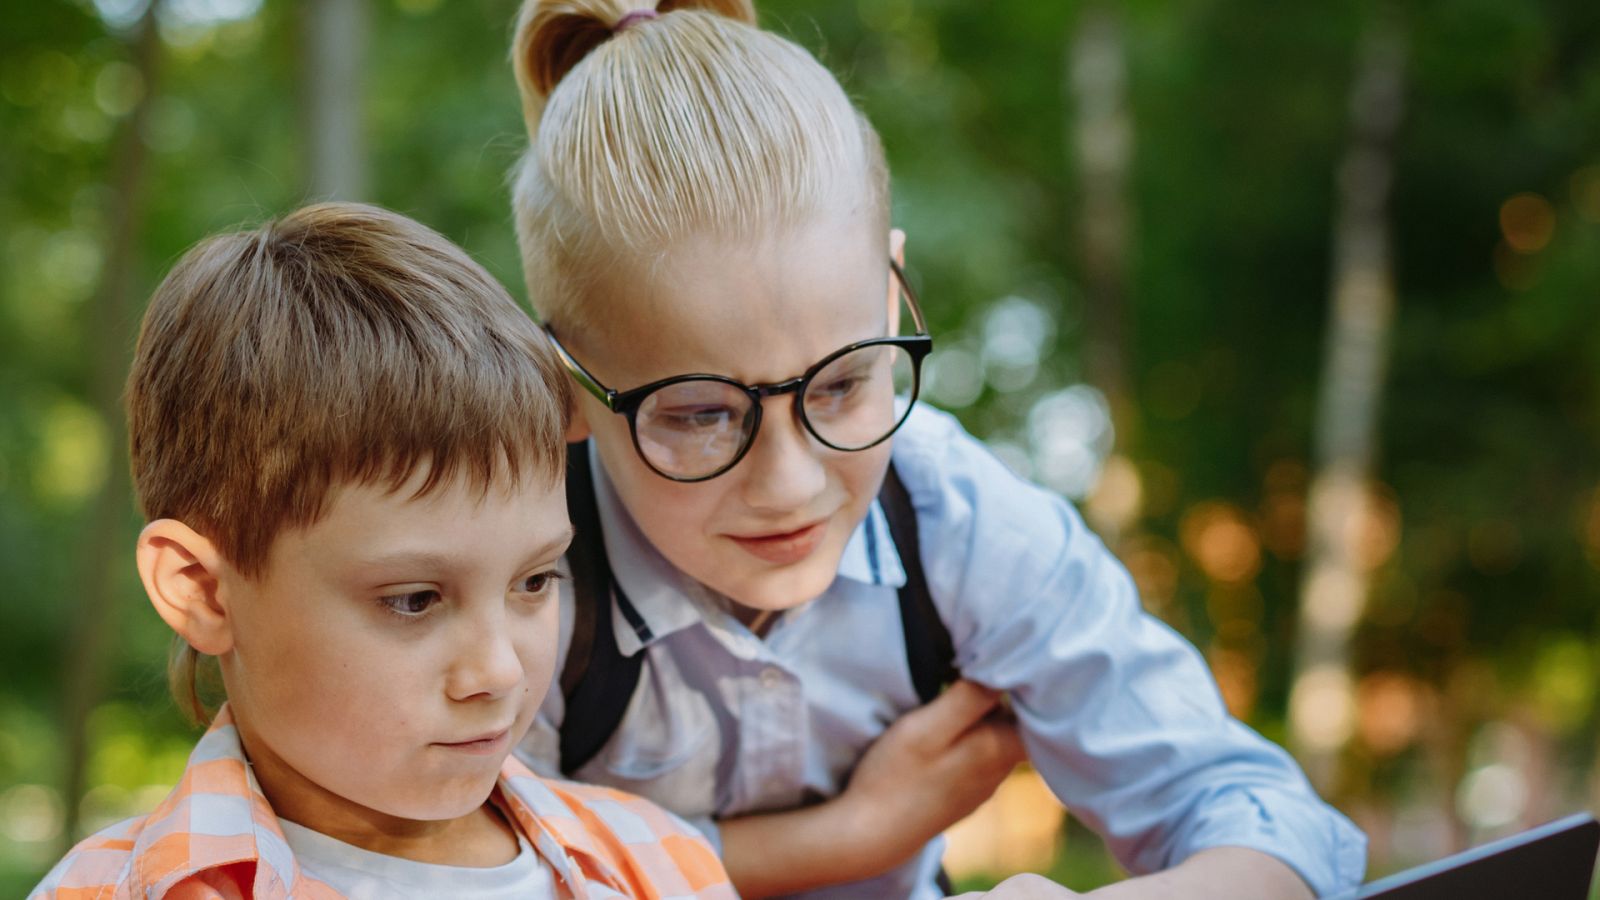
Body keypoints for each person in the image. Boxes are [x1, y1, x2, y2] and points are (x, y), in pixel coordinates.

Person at [507, 1, 1368, 898]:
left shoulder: (954, 520)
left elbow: (1258, 812)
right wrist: (850, 837)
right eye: (698, 415)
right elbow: (468, 877)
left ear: (891, 296)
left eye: (841, 385)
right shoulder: (519, 577)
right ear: (563, 382)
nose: (790, 482)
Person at [30, 203, 736, 900]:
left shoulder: (667, 867)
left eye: (534, 580)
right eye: (414, 600)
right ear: (201, 589)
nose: (497, 672)